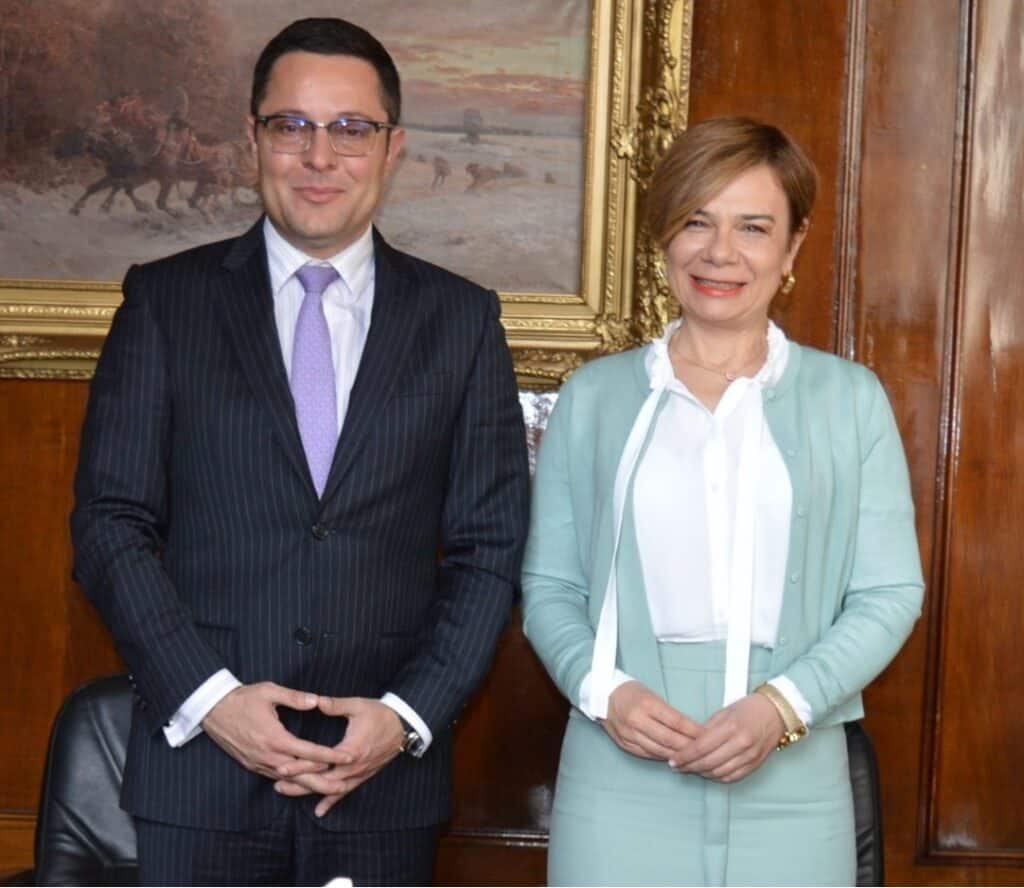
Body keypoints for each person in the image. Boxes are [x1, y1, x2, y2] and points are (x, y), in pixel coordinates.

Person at [71, 17, 529, 887]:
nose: (320, 156)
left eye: (351, 128)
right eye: (293, 126)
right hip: (199, 780)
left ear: (392, 148)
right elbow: (110, 525)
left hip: (380, 785)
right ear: (254, 140)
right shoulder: (165, 304)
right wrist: (212, 701)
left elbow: (490, 550)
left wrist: (406, 716)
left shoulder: (462, 321)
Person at [521, 116, 924, 886]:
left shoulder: (850, 400)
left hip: (794, 776)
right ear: (665, 236)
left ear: (793, 247)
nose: (720, 252)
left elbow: (889, 592)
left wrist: (782, 706)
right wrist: (604, 693)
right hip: (619, 771)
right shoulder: (594, 398)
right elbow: (550, 587)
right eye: (697, 221)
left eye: (753, 227)